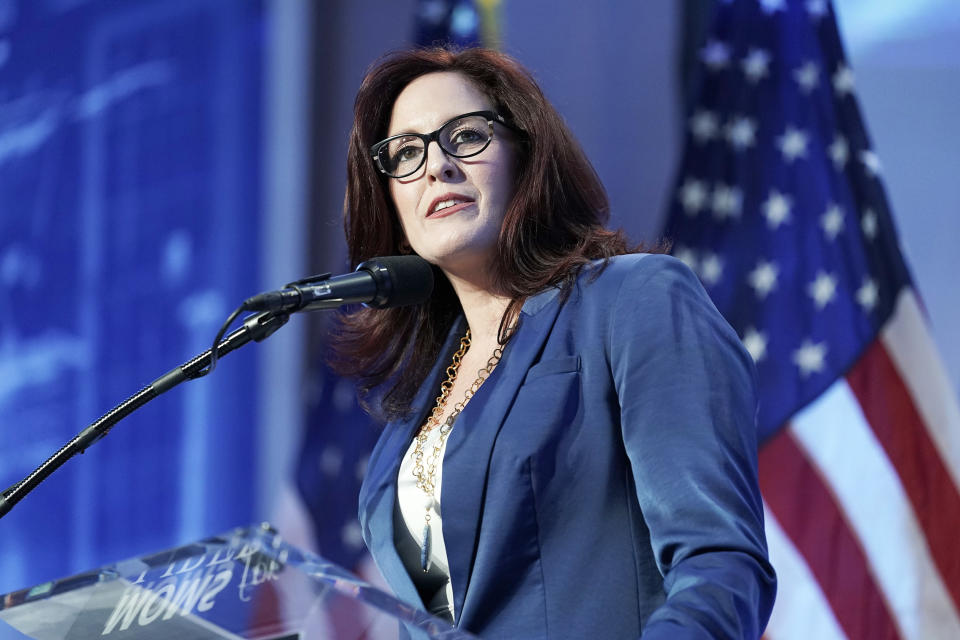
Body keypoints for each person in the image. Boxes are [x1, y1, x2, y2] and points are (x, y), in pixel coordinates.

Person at [331, 47, 776, 639]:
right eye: (407, 153)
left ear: (526, 153)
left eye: (465, 136)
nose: (436, 166)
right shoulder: (411, 412)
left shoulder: (631, 300)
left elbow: (719, 563)